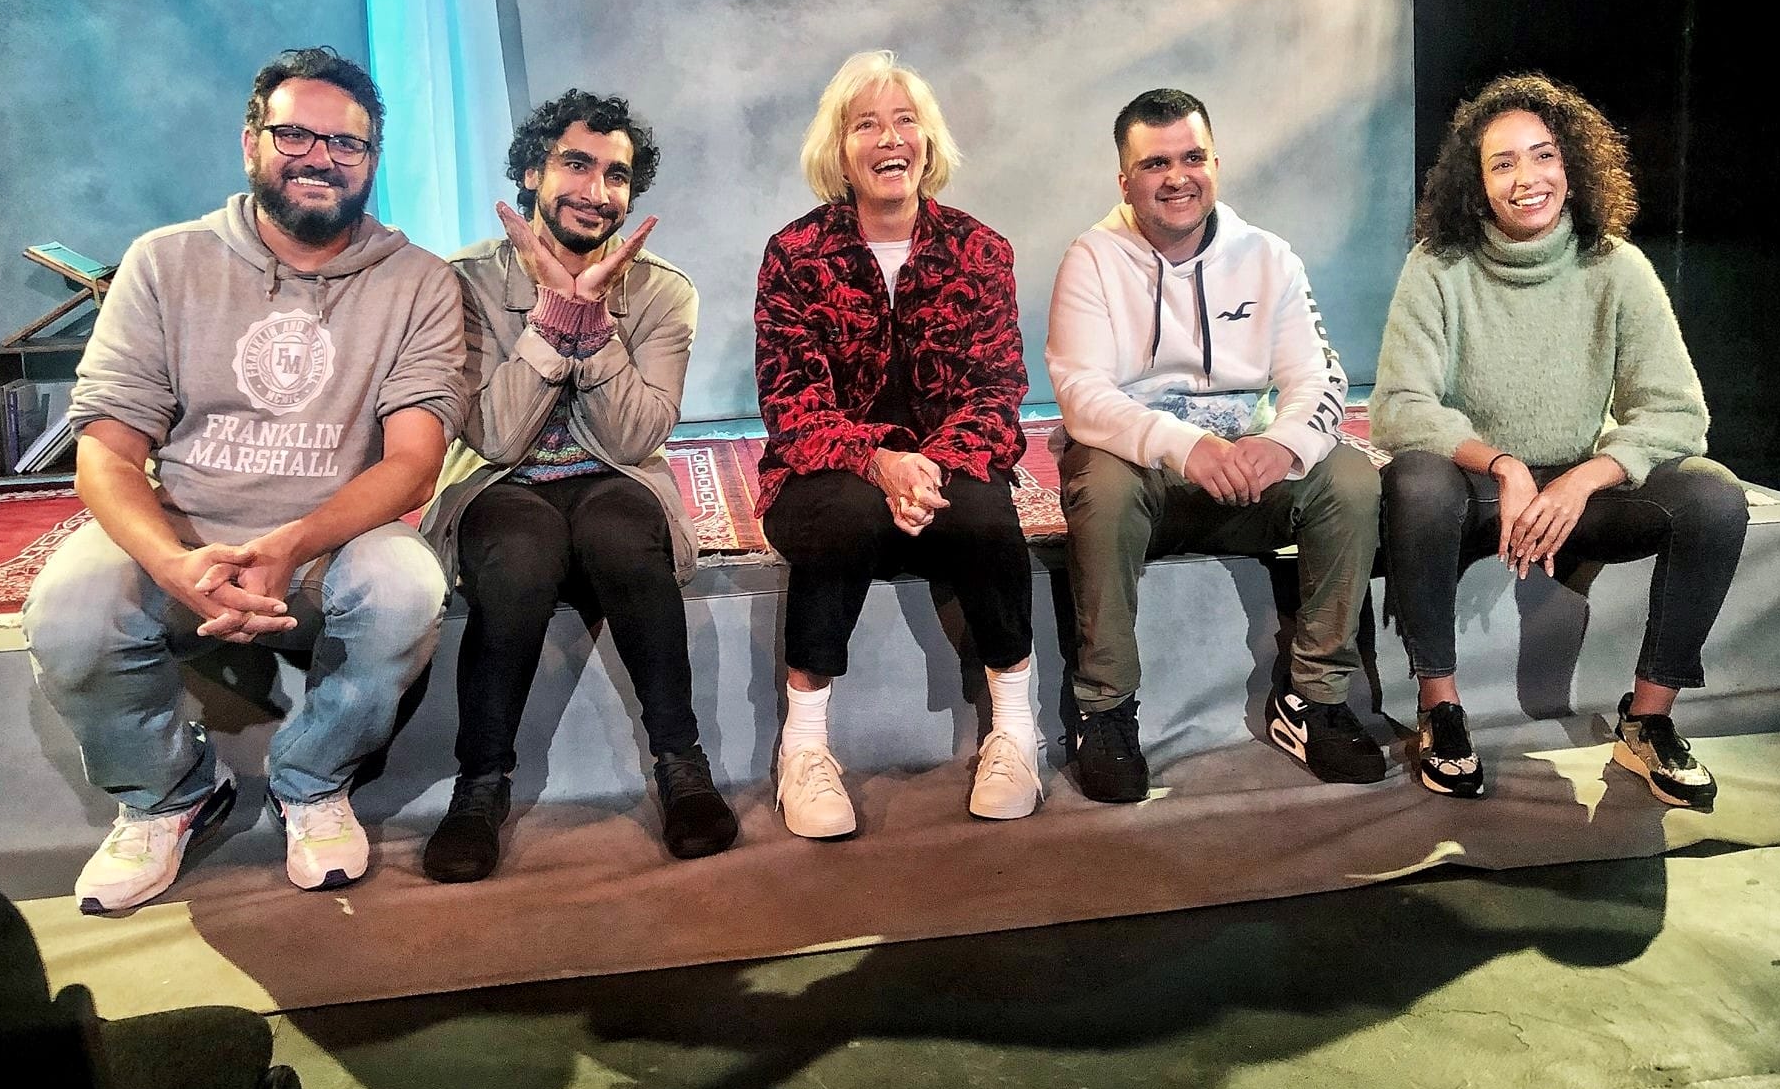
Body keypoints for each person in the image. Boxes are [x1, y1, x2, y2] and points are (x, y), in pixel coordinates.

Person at [22, 47, 466, 913]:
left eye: (347, 144)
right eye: (294, 133)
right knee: (70, 610)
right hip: (187, 535)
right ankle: (171, 796)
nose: (320, 157)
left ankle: (311, 780)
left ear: (372, 160)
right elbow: (107, 455)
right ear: (251, 141)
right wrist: (171, 562)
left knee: (406, 588)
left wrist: (295, 542)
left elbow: (413, 460)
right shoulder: (163, 263)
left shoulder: (418, 281)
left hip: (332, 542)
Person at [1372, 72, 1747, 809]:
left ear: (1571, 168)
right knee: (1415, 479)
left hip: (1580, 490)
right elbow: (1399, 408)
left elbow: (1676, 413)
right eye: (1502, 163)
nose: (1526, 179)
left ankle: (1648, 721)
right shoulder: (1437, 268)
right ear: (1477, 186)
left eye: (1542, 156)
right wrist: (1505, 466)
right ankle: (1441, 710)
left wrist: (1585, 478)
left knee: (1712, 495)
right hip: (1477, 489)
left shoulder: (1617, 267)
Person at [419, 90, 737, 881]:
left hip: (615, 475)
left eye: (617, 175)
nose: (597, 192)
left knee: (625, 540)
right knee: (519, 559)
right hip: (501, 482)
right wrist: (551, 320)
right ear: (532, 171)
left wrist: (592, 328)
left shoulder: (663, 290)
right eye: (576, 164)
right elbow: (491, 435)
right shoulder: (458, 283)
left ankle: (681, 764)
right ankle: (480, 787)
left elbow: (635, 436)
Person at [1046, 88, 1386, 801]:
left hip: (1248, 481)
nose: (1177, 177)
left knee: (1349, 480)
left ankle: (1314, 700)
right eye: (1156, 163)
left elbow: (1319, 377)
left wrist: (1284, 447)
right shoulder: (1092, 259)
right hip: (1146, 483)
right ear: (1125, 181)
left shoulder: (1269, 257)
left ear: (1215, 164)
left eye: (1192, 157)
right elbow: (1083, 397)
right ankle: (1104, 710)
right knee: (1100, 481)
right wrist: (1187, 446)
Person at [754, 50, 1038, 836]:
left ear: (928, 140)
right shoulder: (793, 255)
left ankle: (1016, 729)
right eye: (866, 123)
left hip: (947, 468)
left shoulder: (981, 250)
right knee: (844, 514)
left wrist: (931, 468)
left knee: (984, 518)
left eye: (905, 120)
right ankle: (804, 748)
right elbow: (792, 404)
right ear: (839, 150)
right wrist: (879, 464)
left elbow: (997, 391)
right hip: (831, 473)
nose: (890, 137)